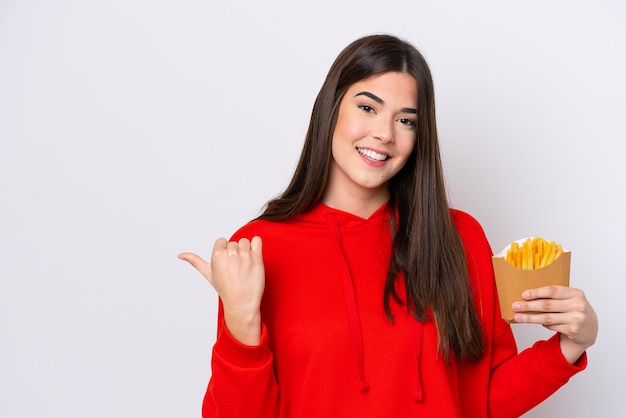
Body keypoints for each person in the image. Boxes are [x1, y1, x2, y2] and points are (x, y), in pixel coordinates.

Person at [178, 34, 598, 418]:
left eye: (406, 120)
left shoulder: (459, 237)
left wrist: (571, 344)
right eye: (367, 107)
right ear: (331, 110)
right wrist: (241, 323)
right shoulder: (260, 246)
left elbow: (478, 399)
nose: (384, 133)